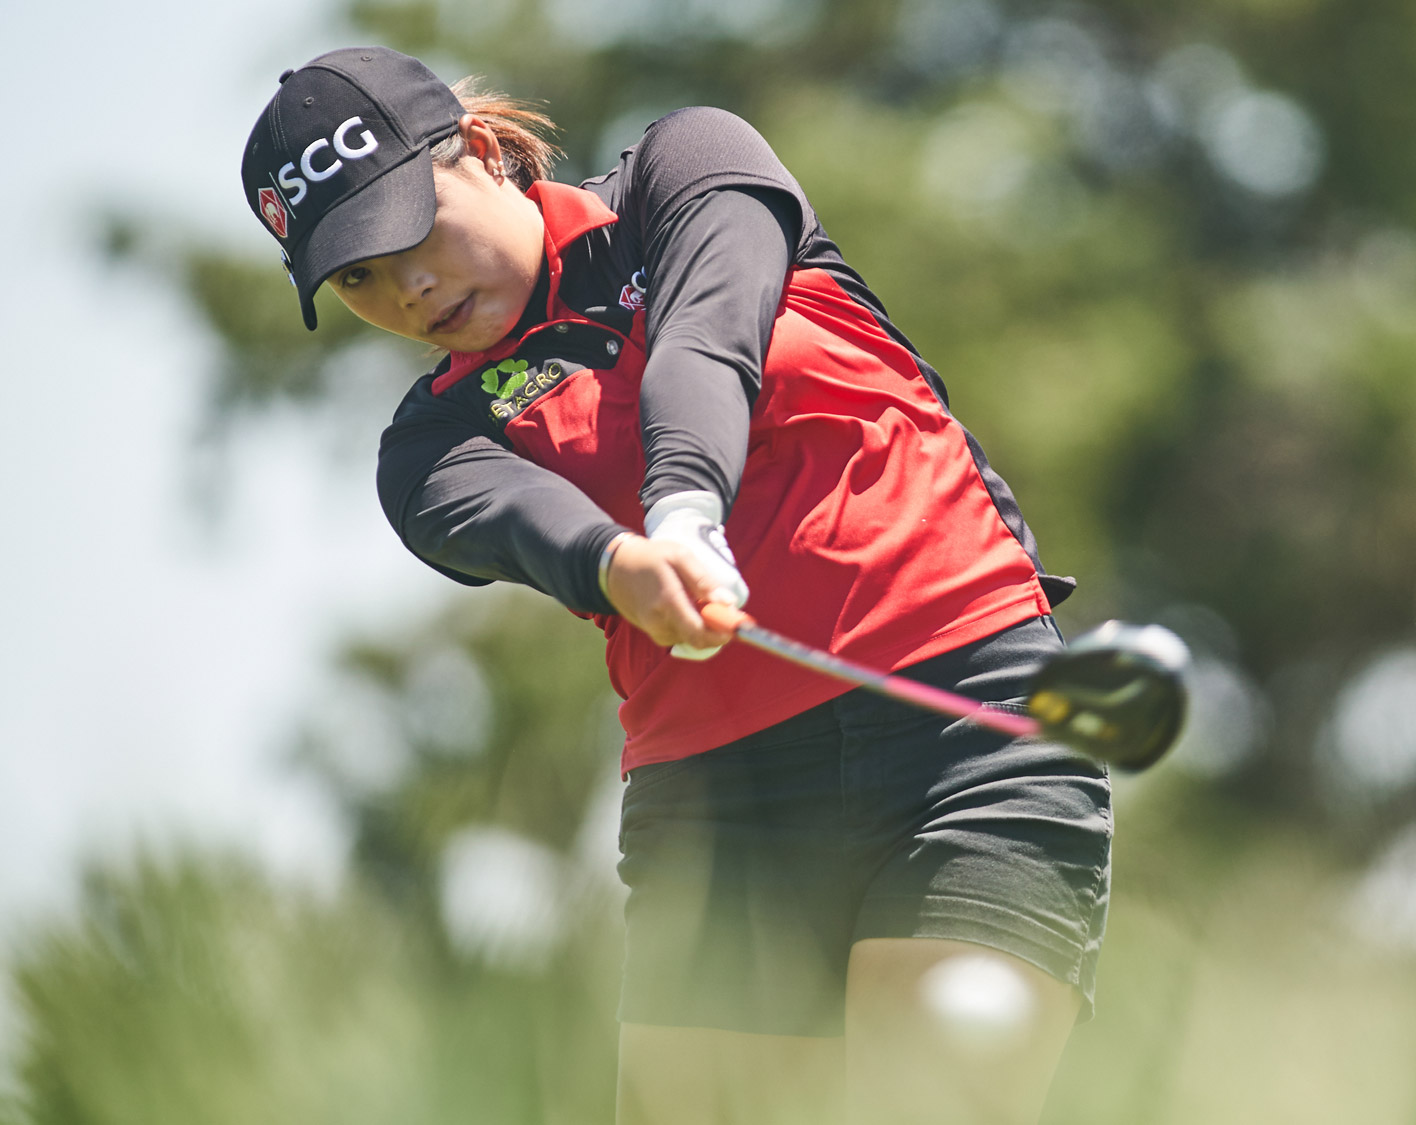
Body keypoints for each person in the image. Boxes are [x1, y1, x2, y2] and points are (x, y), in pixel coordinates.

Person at [240, 47, 1111, 1124]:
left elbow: (705, 336)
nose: (405, 288)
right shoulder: (427, 446)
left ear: (472, 152)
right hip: (718, 813)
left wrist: (684, 509)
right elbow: (523, 524)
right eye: (357, 276)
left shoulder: (683, 170)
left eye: (410, 232)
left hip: (962, 733)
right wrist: (621, 563)